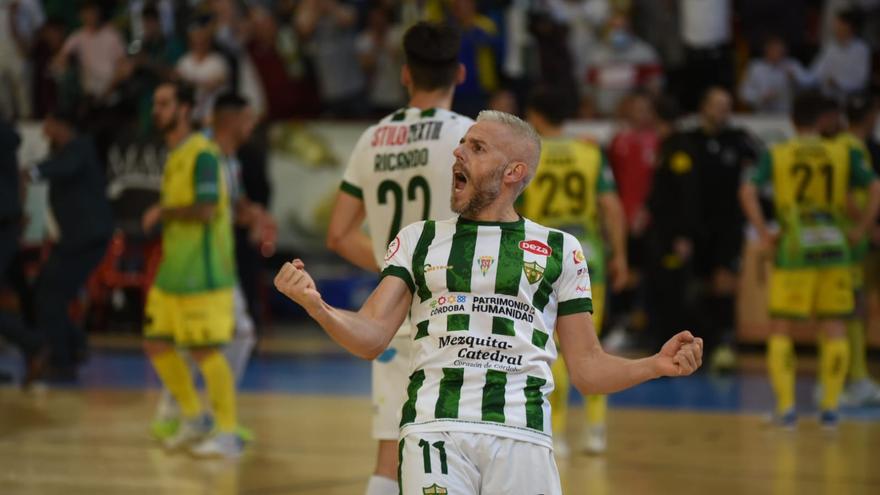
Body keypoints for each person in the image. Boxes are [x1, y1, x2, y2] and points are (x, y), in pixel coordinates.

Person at [277, 110, 703, 494]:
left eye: (476, 147)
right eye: (462, 143)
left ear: (514, 172)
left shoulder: (560, 249)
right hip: (434, 431)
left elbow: (587, 370)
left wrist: (656, 365)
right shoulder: (417, 239)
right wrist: (318, 306)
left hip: (523, 435)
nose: (458, 153)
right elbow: (371, 337)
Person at [325, 21, 473, 495]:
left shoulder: (373, 138)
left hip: (394, 314)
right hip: (458, 312)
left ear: (405, 75)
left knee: (390, 454)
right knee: (467, 451)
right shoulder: (472, 137)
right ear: (461, 74)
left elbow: (339, 233)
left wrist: (399, 269)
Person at [739, 92, 880, 428]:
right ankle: (830, 409)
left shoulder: (779, 153)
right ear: (822, 121)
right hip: (835, 248)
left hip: (795, 248)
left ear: (793, 121)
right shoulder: (841, 152)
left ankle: (786, 409)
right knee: (834, 326)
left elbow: (747, 191)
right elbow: (876, 187)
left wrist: (763, 231)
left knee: (782, 328)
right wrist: (862, 227)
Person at [147, 92, 271, 443]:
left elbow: (231, 203)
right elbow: (203, 207)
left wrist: (253, 214)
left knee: (193, 341)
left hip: (210, 264)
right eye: (248, 120)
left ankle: (185, 413)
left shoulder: (226, 158)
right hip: (205, 268)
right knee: (221, 337)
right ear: (230, 121)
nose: (252, 127)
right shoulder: (205, 153)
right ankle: (208, 419)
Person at [520, 86, 627, 456]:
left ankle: (556, 434)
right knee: (589, 348)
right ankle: (596, 432)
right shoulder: (589, 152)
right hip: (587, 257)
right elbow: (612, 207)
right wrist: (622, 257)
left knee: (549, 349)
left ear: (534, 116)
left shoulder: (529, 153)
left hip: (538, 258)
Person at [140, 81, 241, 458]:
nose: (157, 110)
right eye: (155, 103)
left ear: (185, 109)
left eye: (164, 103)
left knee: (203, 350)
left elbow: (206, 209)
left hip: (203, 273)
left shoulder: (203, 154)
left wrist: (161, 211)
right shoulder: (176, 153)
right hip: (173, 273)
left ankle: (228, 433)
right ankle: (194, 417)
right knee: (156, 342)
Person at [645, 87, 760, 371]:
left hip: (727, 226)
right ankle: (699, 347)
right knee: (696, 287)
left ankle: (723, 346)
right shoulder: (688, 140)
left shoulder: (739, 139)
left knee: (723, 283)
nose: (722, 111)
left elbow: (759, 168)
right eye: (716, 105)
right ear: (703, 107)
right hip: (698, 226)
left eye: (727, 105)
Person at [22, 109, 113, 381]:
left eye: (48, 124)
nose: (43, 131)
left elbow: (63, 168)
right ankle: (75, 345)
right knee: (47, 292)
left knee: (51, 295)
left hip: (85, 239)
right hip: (75, 239)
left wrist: (31, 171)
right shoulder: (70, 151)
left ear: (63, 126)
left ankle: (63, 360)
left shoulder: (79, 148)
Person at [833, 94, 880, 407]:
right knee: (850, 307)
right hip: (851, 241)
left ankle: (844, 379)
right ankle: (853, 379)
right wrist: (865, 226)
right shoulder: (851, 147)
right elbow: (846, 192)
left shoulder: (843, 145)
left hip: (847, 238)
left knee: (850, 308)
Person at [0, 116, 44, 382]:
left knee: (24, 291)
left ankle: (34, 345)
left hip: (4, 224)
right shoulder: (7, 137)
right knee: (24, 291)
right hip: (9, 222)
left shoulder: (4, 136)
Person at [808, 10, 871, 101]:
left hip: (852, 101)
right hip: (829, 100)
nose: (835, 28)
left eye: (839, 25)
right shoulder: (830, 48)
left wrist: (838, 82)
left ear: (849, 27)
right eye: (836, 25)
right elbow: (815, 74)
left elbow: (861, 81)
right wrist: (796, 74)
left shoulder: (862, 49)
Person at [738, 36, 810, 114]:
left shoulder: (792, 65)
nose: (777, 53)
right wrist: (761, 97)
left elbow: (808, 86)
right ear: (766, 50)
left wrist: (795, 78)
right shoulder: (755, 67)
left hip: (787, 114)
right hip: (761, 114)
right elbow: (743, 93)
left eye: (780, 50)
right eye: (773, 50)